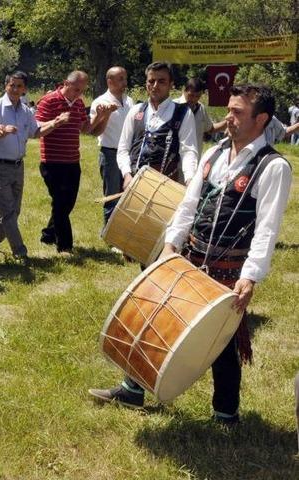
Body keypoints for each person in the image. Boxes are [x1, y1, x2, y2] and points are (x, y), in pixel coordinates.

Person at [90, 84, 292, 425]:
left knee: (223, 340)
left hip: (230, 266)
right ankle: (133, 389)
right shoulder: (214, 155)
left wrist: (250, 275)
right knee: (156, 319)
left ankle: (226, 414)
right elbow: (188, 205)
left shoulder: (272, 167)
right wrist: (171, 246)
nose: (228, 118)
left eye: (238, 112)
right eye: (229, 110)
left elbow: (267, 229)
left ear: (262, 119)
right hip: (190, 254)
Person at [0, 71, 69, 259]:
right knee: (8, 213)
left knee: (14, 211)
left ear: (24, 89)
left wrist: (55, 123)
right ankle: (20, 252)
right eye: (12, 85)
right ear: (6, 86)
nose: (15, 89)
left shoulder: (26, 111)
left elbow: (35, 132)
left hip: (17, 167)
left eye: (19, 86)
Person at [34, 70, 114, 254]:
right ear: (65, 83)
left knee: (67, 203)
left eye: (82, 90)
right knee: (61, 203)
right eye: (76, 89)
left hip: (72, 161)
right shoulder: (49, 101)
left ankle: (48, 234)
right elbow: (36, 129)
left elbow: (85, 129)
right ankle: (65, 246)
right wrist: (56, 122)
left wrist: (101, 116)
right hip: (52, 161)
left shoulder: (78, 104)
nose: (79, 93)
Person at [116, 62, 197, 188]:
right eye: (151, 81)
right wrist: (126, 174)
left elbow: (188, 152)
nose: (155, 86)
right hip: (133, 183)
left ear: (171, 85)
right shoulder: (136, 110)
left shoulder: (183, 113)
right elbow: (123, 148)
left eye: (161, 81)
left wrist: (190, 180)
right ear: (146, 83)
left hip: (166, 187)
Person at [90, 66, 135, 224]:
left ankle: (122, 231)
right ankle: (109, 234)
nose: (125, 82)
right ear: (110, 81)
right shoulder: (100, 102)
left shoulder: (129, 101)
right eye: (121, 79)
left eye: (125, 78)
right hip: (110, 154)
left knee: (128, 194)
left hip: (128, 154)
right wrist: (106, 115)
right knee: (112, 196)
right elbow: (94, 132)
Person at [175, 78, 214, 161]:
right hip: (174, 162)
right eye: (191, 95)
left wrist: (226, 122)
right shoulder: (173, 106)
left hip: (194, 161)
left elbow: (210, 128)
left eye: (197, 96)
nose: (194, 99)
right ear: (184, 91)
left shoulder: (201, 108)